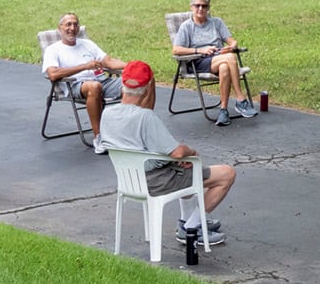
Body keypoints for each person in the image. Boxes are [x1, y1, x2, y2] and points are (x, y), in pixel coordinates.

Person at [98, 60, 236, 246]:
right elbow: (178, 152)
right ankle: (192, 228)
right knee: (226, 174)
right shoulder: (145, 117)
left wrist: (173, 160)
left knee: (184, 167)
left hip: (129, 181)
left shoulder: (107, 113)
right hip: (156, 182)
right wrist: (192, 152)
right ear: (147, 88)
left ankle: (186, 221)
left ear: (122, 83)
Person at [43, 12, 156, 154]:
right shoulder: (53, 50)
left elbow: (108, 62)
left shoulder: (87, 44)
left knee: (145, 80)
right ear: (60, 28)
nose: (72, 27)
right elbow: (53, 74)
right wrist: (85, 66)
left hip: (103, 80)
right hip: (76, 84)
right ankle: (99, 138)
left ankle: (141, 128)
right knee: (94, 86)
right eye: (68, 24)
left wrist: (135, 66)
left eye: (75, 24)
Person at [171, 0, 256, 126]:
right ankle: (240, 99)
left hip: (219, 59)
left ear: (208, 7)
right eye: (197, 5)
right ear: (191, 7)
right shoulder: (186, 27)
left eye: (204, 6)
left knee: (224, 67)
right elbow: (176, 49)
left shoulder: (217, 22)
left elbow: (232, 41)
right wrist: (200, 50)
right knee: (230, 58)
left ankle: (223, 111)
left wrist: (232, 46)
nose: (200, 9)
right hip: (198, 61)